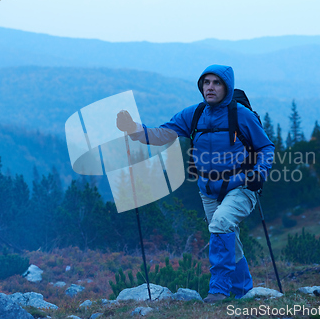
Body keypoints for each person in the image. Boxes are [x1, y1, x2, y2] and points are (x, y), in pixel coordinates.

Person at [117, 64, 274, 302]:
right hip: (208, 190)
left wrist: (258, 173)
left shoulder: (242, 115)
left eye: (216, 83)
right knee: (228, 236)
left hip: (242, 186)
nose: (210, 87)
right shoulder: (194, 114)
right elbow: (163, 134)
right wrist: (135, 130)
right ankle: (244, 292)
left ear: (227, 87)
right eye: (206, 83)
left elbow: (266, 147)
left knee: (221, 224)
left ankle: (219, 291)